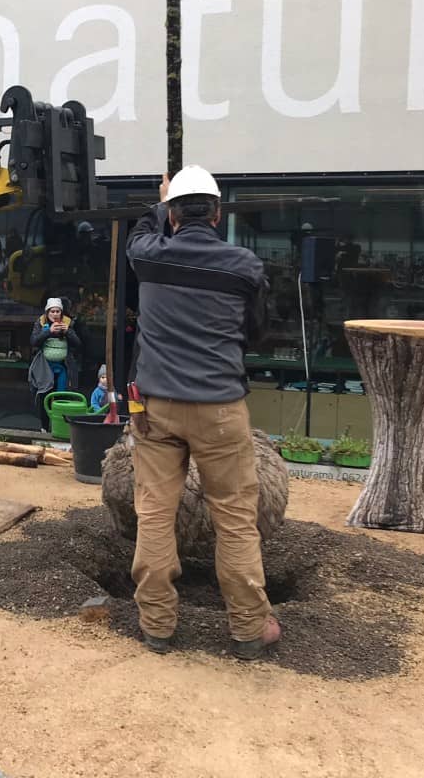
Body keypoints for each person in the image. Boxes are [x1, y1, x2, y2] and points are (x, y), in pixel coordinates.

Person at [126, 166, 281, 660]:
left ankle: (157, 627)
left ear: (172, 215)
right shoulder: (244, 267)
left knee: (154, 512)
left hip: (155, 409)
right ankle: (249, 631)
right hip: (220, 410)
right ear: (217, 215)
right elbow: (257, 333)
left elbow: (141, 232)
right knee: (235, 519)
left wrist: (160, 200)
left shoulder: (148, 257)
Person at [30, 297, 81, 393]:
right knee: (45, 393)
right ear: (47, 313)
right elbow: (34, 342)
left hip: (64, 365)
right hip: (44, 366)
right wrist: (48, 332)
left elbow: (78, 344)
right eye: (52, 311)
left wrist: (67, 332)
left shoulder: (68, 323)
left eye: (58, 311)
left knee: (61, 393)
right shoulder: (40, 323)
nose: (55, 314)